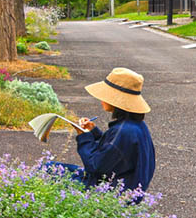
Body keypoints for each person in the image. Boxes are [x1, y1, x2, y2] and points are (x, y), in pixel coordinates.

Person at [48, 67, 155, 195]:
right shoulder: (135, 125)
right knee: (50, 167)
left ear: (116, 100)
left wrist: (83, 137)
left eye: (105, 95)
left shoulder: (123, 131)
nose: (101, 99)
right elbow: (113, 152)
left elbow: (94, 166)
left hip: (109, 193)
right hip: (124, 185)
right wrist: (94, 132)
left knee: (47, 172)